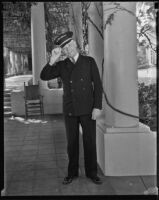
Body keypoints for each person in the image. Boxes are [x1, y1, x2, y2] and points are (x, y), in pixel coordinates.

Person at [40, 31, 103, 185]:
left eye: (69, 45)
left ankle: (92, 173)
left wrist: (97, 107)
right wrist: (52, 60)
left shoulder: (89, 61)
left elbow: (98, 85)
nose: (68, 49)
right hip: (70, 109)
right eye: (64, 48)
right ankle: (72, 173)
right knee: (71, 143)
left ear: (75, 44)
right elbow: (44, 76)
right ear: (62, 51)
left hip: (88, 109)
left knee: (90, 142)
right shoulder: (61, 65)